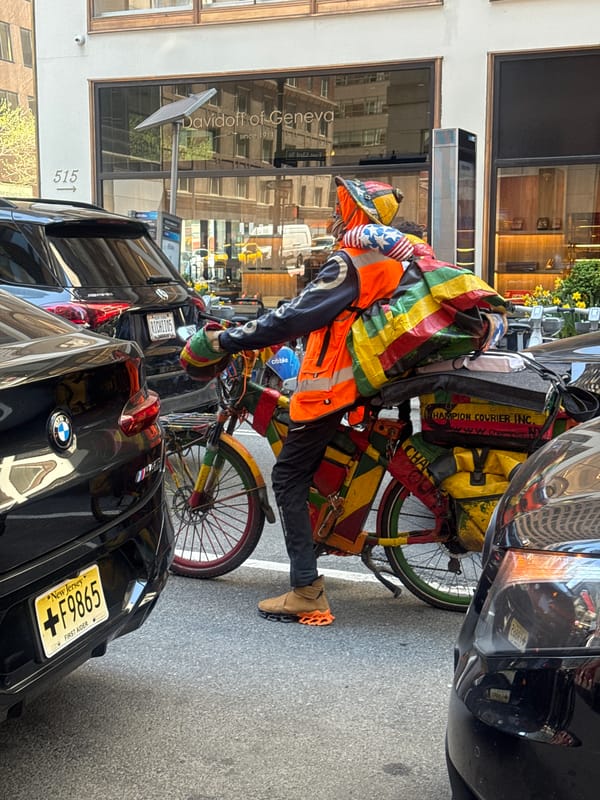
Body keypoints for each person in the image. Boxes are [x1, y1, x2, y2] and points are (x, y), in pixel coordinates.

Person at [180, 177, 414, 626]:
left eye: (340, 205)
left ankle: (307, 590)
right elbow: (310, 309)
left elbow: (295, 316)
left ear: (355, 213)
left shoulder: (352, 262)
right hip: (359, 381)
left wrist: (229, 338)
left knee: (288, 478)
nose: (334, 213)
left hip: (333, 387)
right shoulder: (385, 259)